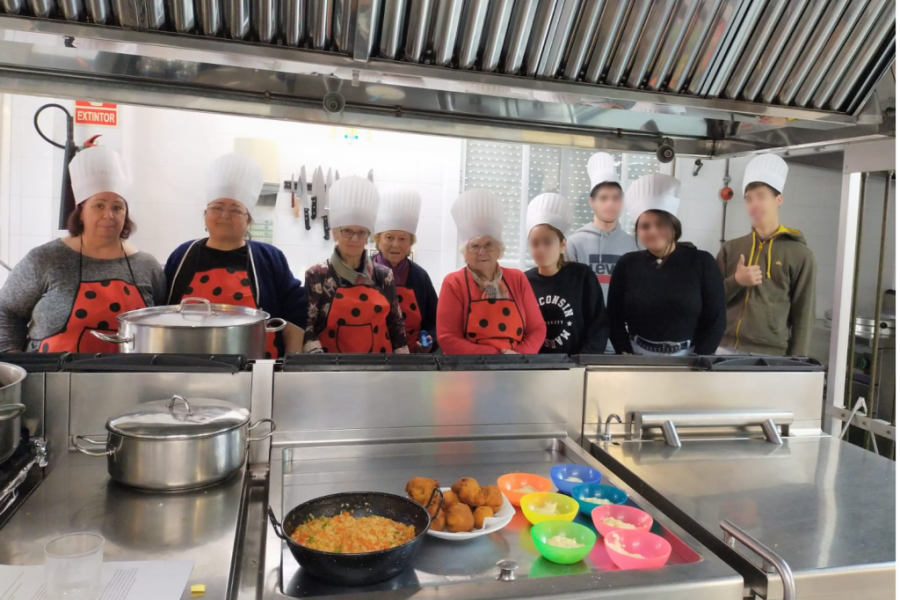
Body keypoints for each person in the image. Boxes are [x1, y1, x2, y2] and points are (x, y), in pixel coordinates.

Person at [0, 146, 165, 353]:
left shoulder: (147, 266)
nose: (109, 215)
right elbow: (6, 311)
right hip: (48, 379)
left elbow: (160, 323)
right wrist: (13, 358)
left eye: (117, 207)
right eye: (99, 206)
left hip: (126, 380)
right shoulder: (44, 259)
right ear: (81, 213)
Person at [165, 153, 307, 357]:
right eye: (217, 207)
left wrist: (291, 359)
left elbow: (295, 309)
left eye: (235, 210)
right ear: (206, 214)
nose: (224, 215)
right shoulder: (182, 255)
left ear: (248, 219)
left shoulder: (269, 258)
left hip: (258, 371)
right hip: (187, 366)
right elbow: (162, 313)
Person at [607, 174, 726, 356]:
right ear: (638, 232)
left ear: (674, 227)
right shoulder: (627, 264)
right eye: (645, 226)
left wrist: (700, 357)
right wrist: (624, 352)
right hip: (637, 356)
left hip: (689, 357)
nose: (653, 231)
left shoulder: (702, 262)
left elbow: (716, 318)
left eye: (660, 224)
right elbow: (613, 316)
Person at [717, 155, 816, 356]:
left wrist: (797, 362)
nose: (754, 204)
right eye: (749, 199)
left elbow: (803, 314)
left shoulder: (800, 254)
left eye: (761, 196)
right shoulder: (731, 248)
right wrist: (736, 281)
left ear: (778, 199)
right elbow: (711, 300)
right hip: (723, 348)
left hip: (770, 354)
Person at [303, 176, 409, 354]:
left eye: (361, 232)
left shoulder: (383, 275)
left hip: (380, 369)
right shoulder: (317, 275)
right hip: (332, 370)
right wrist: (319, 367)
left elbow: (396, 326)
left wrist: (403, 369)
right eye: (347, 231)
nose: (354, 238)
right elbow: (308, 327)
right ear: (335, 233)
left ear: (368, 236)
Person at [436, 189, 545, 355]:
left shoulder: (517, 278)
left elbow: (537, 328)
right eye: (475, 246)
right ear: (465, 252)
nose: (482, 252)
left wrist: (519, 357)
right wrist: (494, 358)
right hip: (468, 370)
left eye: (488, 245)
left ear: (499, 250)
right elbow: (447, 337)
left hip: (515, 367)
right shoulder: (454, 282)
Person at [525, 193, 608, 355]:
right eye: (535, 243)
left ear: (563, 244)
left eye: (547, 242)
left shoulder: (581, 276)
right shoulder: (523, 281)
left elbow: (599, 324)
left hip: (576, 366)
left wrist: (582, 361)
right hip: (535, 367)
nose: (540, 249)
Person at [373, 186, 438, 353]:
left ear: (410, 243)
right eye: (389, 237)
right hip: (370, 359)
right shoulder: (362, 272)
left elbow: (434, 323)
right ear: (378, 240)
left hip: (411, 361)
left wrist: (429, 341)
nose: (396, 244)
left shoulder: (420, 277)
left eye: (403, 238)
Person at [565, 152, 633, 294]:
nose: (610, 203)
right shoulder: (574, 244)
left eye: (616, 198)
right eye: (603, 198)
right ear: (592, 202)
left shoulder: (634, 244)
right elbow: (570, 289)